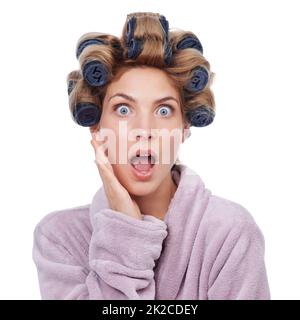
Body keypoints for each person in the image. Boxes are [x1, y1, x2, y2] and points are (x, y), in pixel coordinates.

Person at [32, 11, 271, 300]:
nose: (144, 130)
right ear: (96, 127)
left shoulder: (230, 233)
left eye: (163, 110)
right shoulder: (60, 239)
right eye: (123, 109)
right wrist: (125, 230)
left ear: (184, 127)